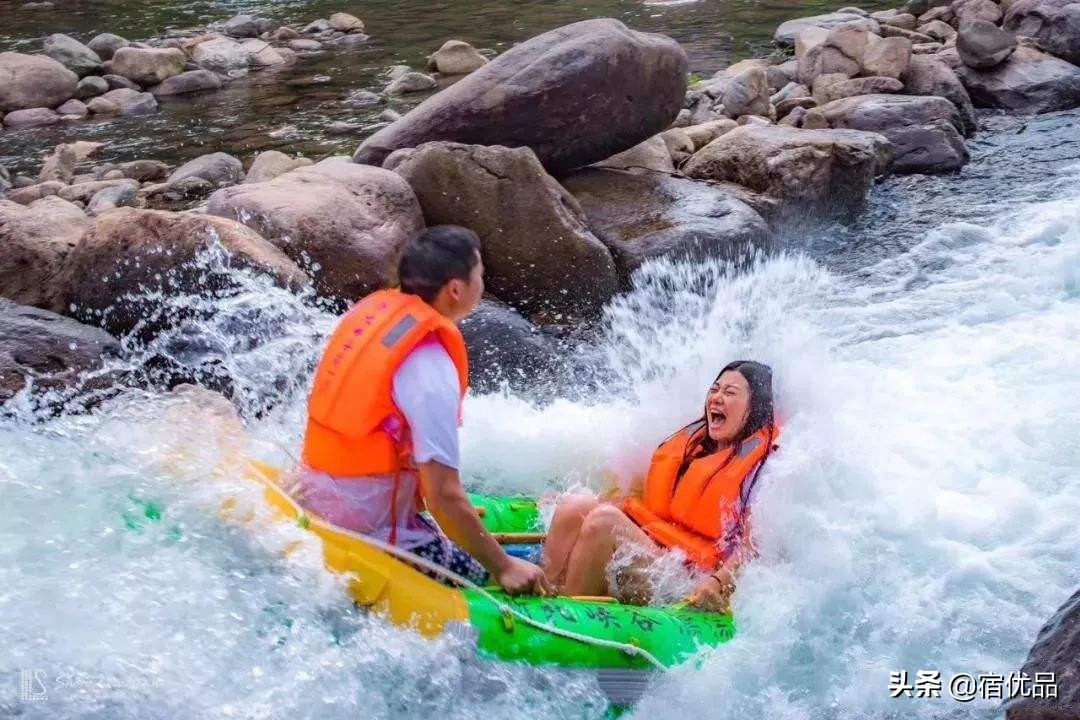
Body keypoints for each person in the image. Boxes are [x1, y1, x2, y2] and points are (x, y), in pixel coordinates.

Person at [297, 225, 551, 596]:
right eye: (480, 275)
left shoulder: (372, 319)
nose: (483, 283)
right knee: (525, 564)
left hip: (318, 496)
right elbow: (443, 495)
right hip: (374, 532)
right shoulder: (431, 368)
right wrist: (504, 566)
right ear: (455, 290)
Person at [541, 361, 778, 612]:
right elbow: (651, 508)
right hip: (663, 553)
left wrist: (717, 581)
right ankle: (545, 597)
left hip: (694, 578)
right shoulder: (694, 448)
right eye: (715, 389)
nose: (717, 398)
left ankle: (566, 616)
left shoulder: (762, 469)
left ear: (755, 408)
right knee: (575, 506)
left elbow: (753, 545)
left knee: (604, 522)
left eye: (730, 393)